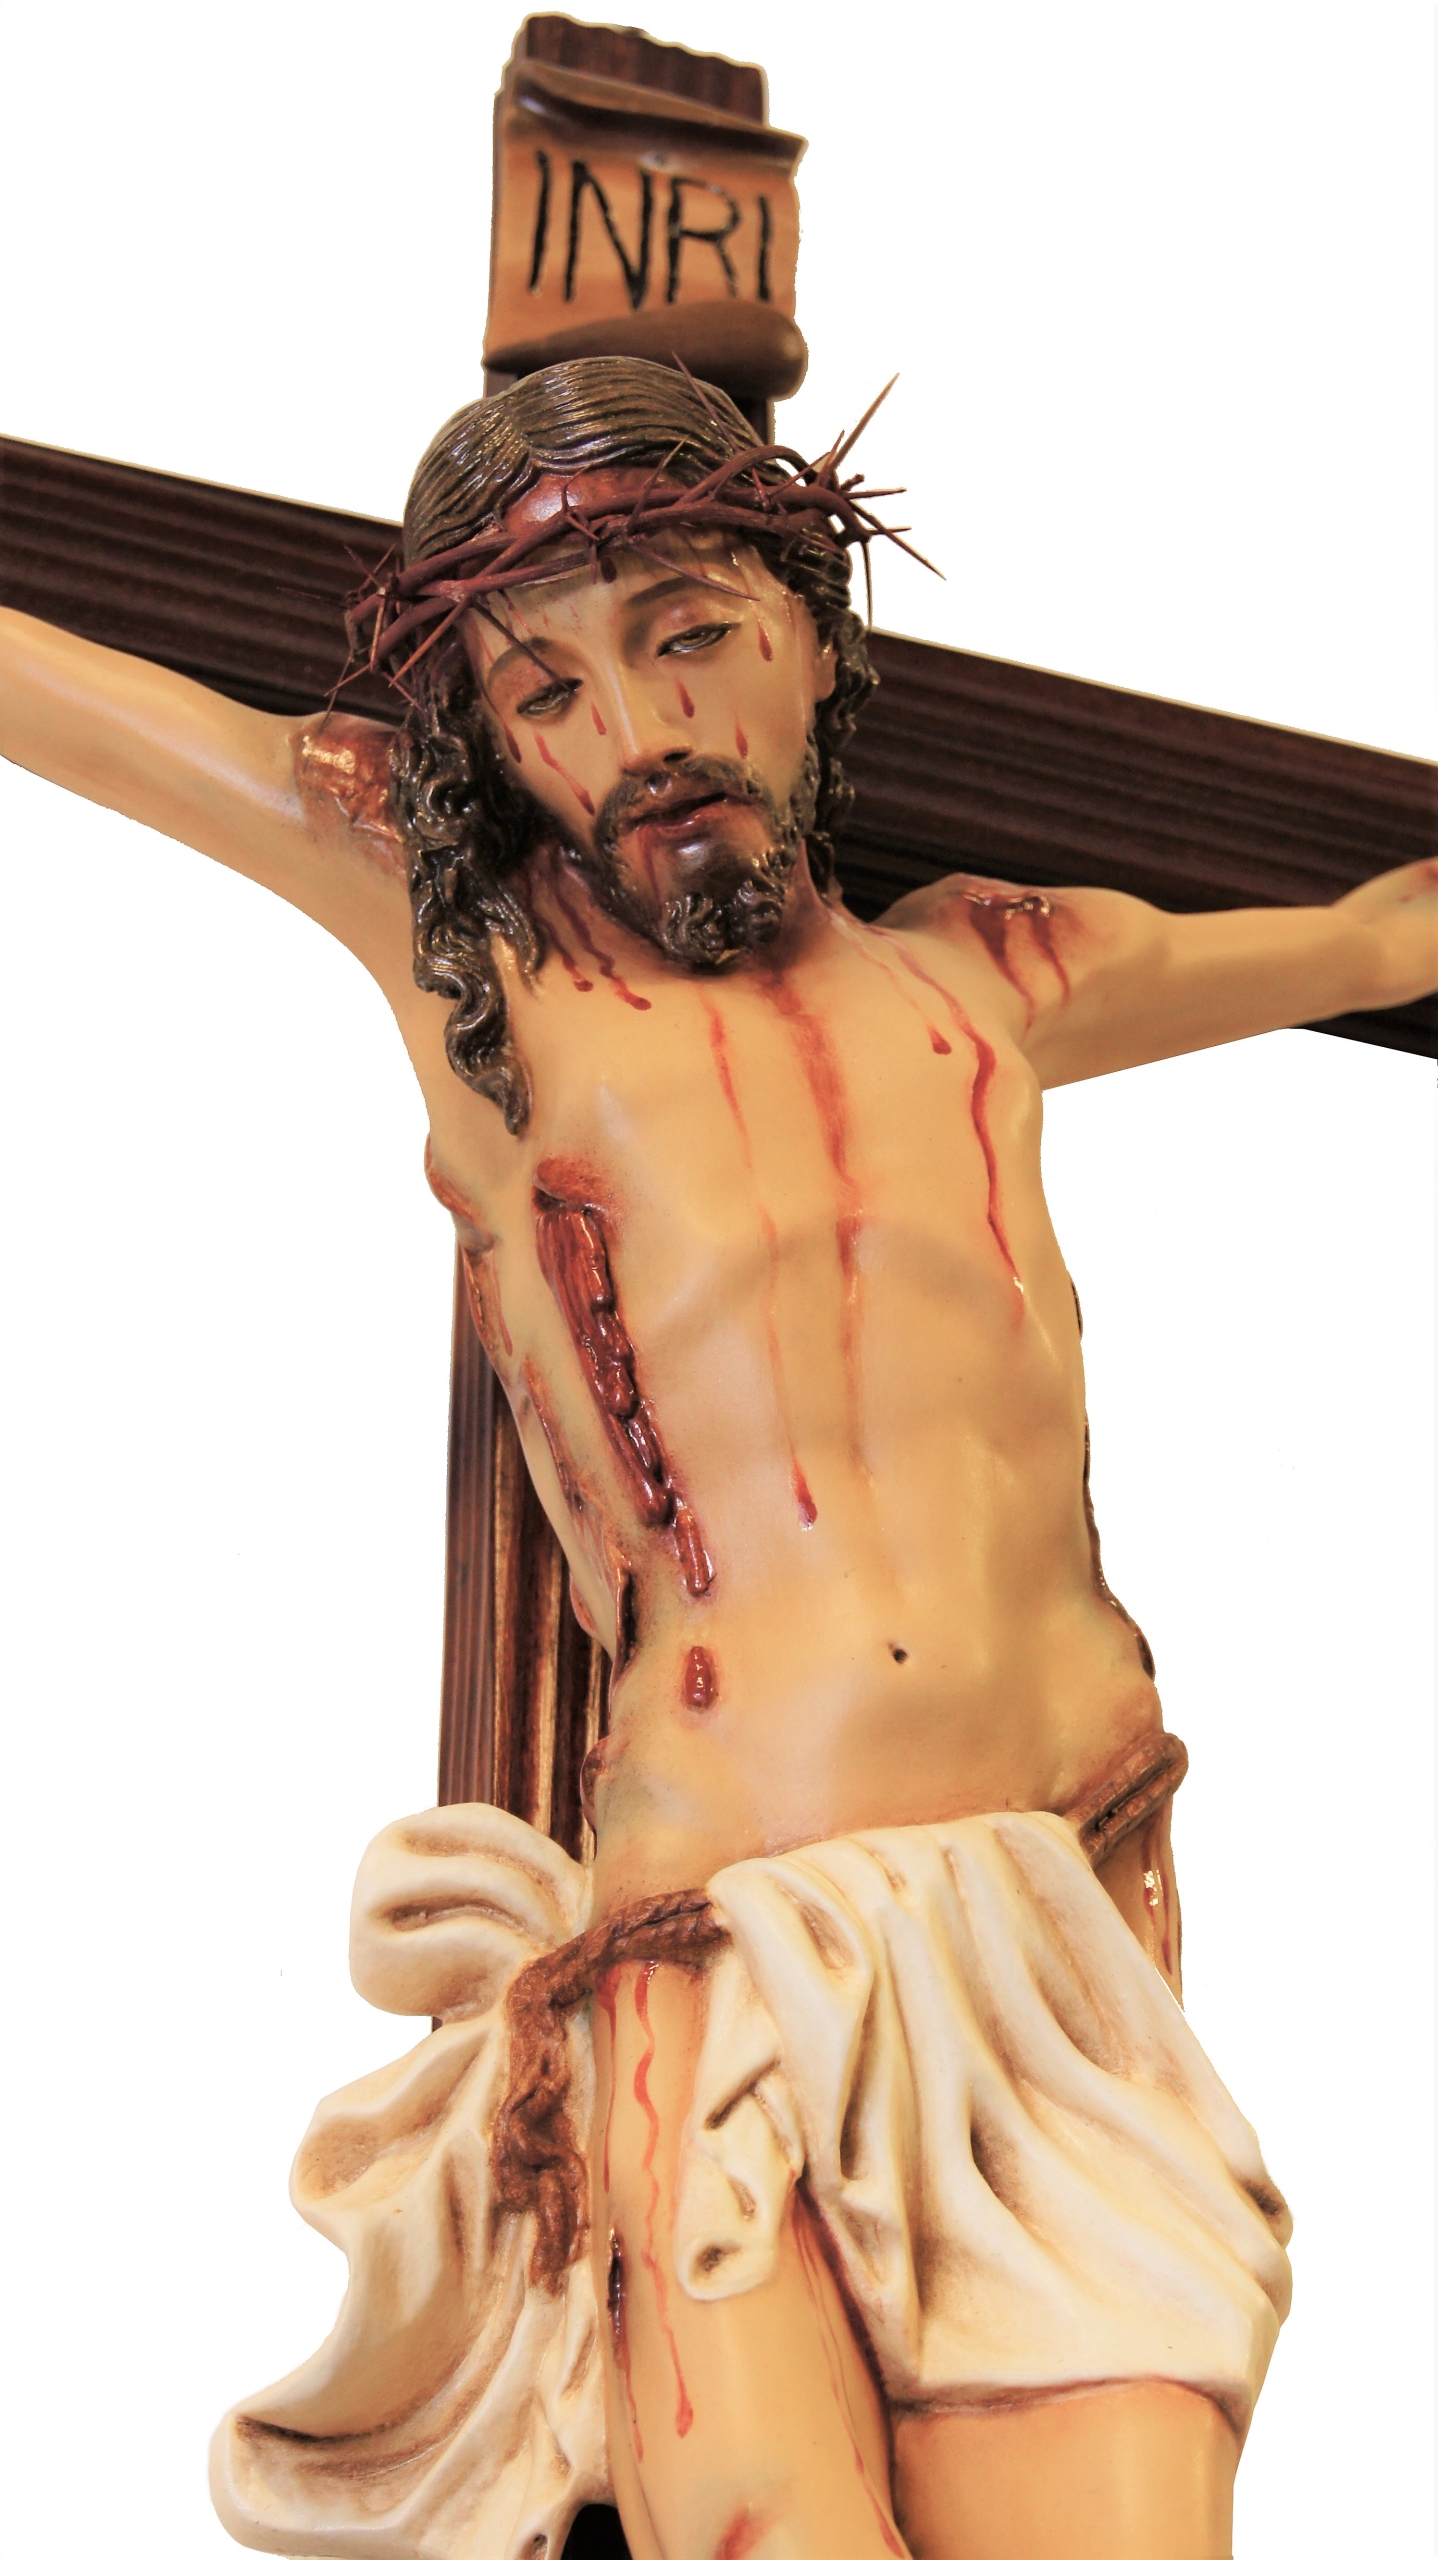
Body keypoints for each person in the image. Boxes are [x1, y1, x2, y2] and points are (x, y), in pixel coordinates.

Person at [2, 358, 1433, 2560]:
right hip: (719, 1943)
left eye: (687, 635)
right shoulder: (488, 972)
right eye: (546, 690)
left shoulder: (997, 972)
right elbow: (76, 701)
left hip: (1050, 1925)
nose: (634, 725)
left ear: (809, 642)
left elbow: (1373, 931)